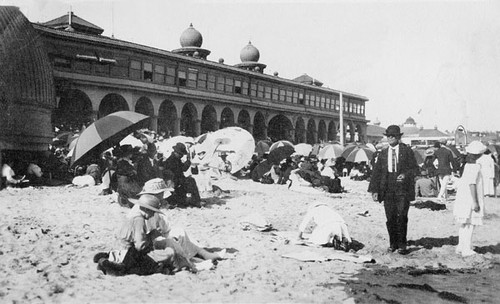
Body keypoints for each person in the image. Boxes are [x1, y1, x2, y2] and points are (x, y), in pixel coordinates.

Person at [368, 125, 419, 254]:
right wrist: (374, 191)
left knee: (402, 216)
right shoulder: (383, 153)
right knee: (390, 217)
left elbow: (415, 169)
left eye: (393, 136)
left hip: (403, 188)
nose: (390, 138)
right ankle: (393, 243)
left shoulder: (407, 151)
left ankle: (402, 244)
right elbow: (377, 173)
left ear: (398, 137)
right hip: (387, 187)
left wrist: (405, 175)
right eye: (388, 136)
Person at [453, 141, 486, 257]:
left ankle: (461, 246)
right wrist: (475, 202)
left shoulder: (466, 165)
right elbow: (472, 184)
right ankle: (466, 248)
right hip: (470, 198)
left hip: (463, 197)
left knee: (464, 224)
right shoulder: (475, 167)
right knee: (470, 224)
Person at [163, 142, 200, 207]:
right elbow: (182, 169)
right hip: (174, 181)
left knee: (190, 180)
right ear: (176, 152)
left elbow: (183, 168)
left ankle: (194, 200)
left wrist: (188, 160)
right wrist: (188, 161)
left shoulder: (176, 159)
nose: (182, 156)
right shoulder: (172, 160)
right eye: (181, 154)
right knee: (191, 181)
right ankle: (196, 201)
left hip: (176, 180)